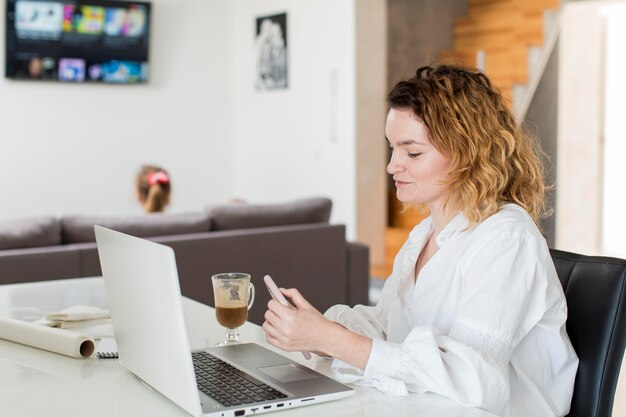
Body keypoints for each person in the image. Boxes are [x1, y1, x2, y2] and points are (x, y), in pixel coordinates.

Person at [262, 64, 579, 417]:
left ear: (467, 153)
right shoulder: (424, 235)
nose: (392, 166)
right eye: (393, 149)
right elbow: (389, 327)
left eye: (412, 152)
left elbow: (472, 381)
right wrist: (323, 332)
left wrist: (335, 341)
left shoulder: (507, 239)